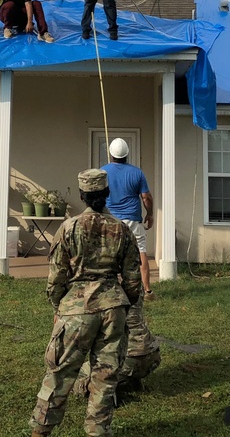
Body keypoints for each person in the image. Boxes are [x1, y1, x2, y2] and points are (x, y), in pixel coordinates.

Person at [29, 169, 142, 437]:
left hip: (76, 311)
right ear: (107, 194)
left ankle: (41, 431)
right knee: (105, 378)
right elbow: (133, 280)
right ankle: (97, 431)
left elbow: (56, 277)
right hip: (113, 309)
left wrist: (59, 307)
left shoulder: (68, 228)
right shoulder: (122, 230)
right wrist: (125, 303)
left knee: (59, 374)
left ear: (82, 195)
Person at [72, 295, 161, 401]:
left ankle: (107, 392)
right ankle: (129, 382)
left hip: (126, 358)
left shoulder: (102, 292)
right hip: (152, 355)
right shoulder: (133, 283)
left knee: (73, 375)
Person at [102, 138, 154, 296]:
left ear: (110, 154)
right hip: (132, 219)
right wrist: (150, 214)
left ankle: (110, 290)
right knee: (141, 252)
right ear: (127, 154)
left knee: (109, 253)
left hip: (111, 219)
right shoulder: (137, 172)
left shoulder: (102, 172)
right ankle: (147, 290)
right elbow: (146, 197)